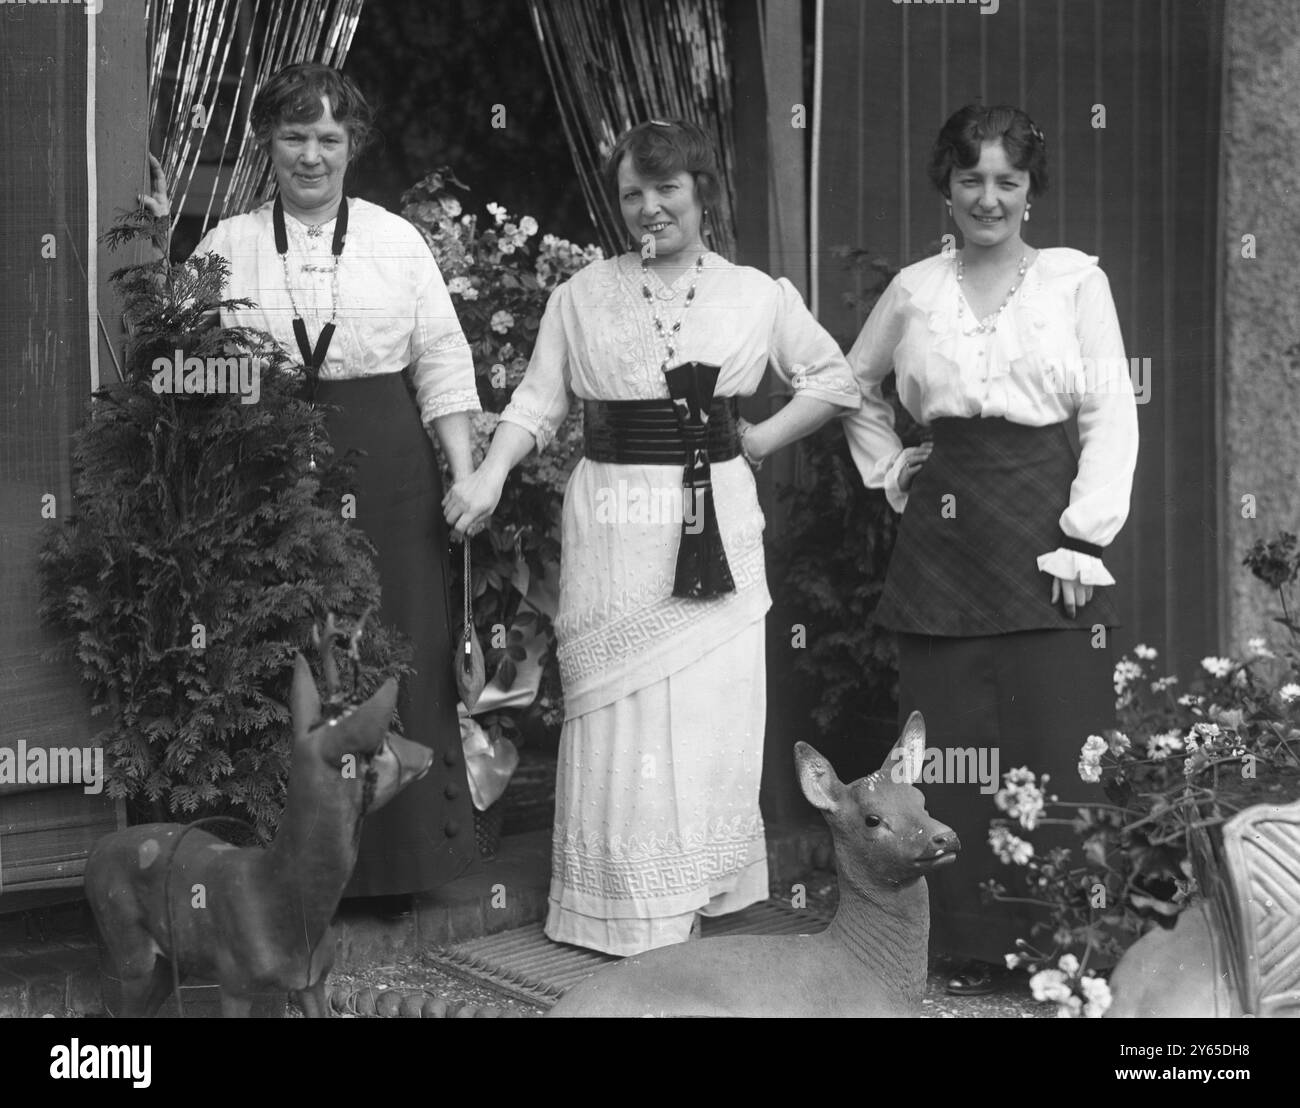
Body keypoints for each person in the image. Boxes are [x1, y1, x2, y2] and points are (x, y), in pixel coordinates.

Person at [443, 120, 862, 956]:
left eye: (666, 188)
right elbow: (537, 402)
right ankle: (625, 904)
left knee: (709, 703)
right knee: (618, 700)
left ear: (702, 191)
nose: (649, 207)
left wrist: (762, 438)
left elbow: (836, 379)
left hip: (718, 516)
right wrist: (488, 476)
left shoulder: (757, 293)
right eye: (632, 192)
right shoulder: (581, 295)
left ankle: (705, 888)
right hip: (614, 522)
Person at [141, 63, 481, 898]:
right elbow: (173, 354)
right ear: (266, 143)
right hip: (270, 470)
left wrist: (467, 474)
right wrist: (156, 247)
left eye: (329, 138)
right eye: (294, 136)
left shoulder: (399, 243)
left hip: (391, 467)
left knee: (395, 642)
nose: (311, 156)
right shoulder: (228, 245)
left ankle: (401, 868)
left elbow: (442, 360)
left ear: (352, 146)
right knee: (284, 652)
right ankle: (286, 876)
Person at [841, 104, 1139, 994]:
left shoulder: (1074, 282)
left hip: (1047, 532)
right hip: (942, 538)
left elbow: (1109, 413)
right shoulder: (914, 290)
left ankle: (1067, 943)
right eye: (971, 177)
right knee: (956, 742)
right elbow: (848, 386)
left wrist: (1084, 541)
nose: (988, 197)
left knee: (1056, 734)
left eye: (1008, 180)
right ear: (947, 184)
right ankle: (965, 944)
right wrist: (892, 467)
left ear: (1030, 194)